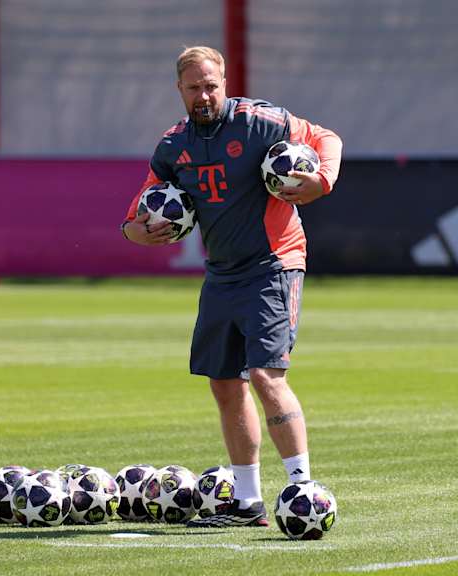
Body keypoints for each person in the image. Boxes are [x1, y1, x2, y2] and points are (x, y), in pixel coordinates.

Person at [121, 46, 342, 527]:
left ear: (225, 82)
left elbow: (327, 138)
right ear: (179, 90)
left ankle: (303, 488)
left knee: (266, 375)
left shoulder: (259, 122)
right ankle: (246, 503)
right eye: (195, 87)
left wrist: (321, 179)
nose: (205, 96)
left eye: (212, 85)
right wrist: (136, 231)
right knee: (225, 383)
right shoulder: (172, 145)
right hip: (221, 271)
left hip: (274, 263)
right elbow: (136, 212)